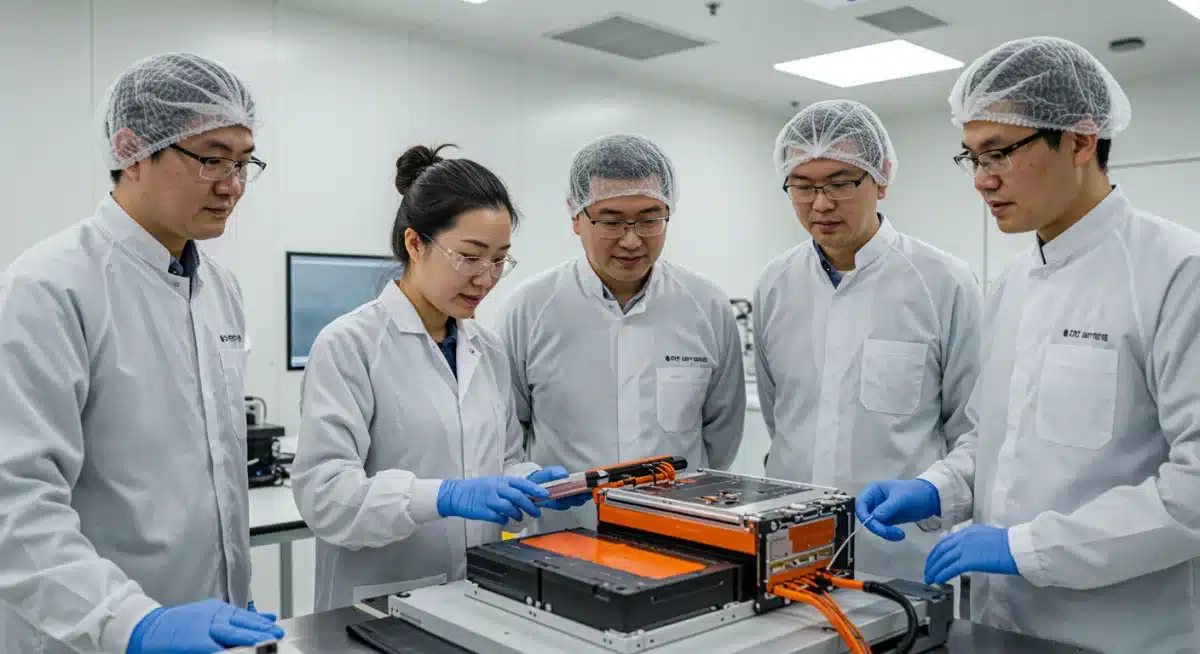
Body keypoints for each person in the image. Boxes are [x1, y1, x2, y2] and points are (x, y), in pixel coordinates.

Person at [855, 37, 1200, 652]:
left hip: (1120, 633)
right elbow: (996, 441)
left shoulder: (1176, 272)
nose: (983, 181)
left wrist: (1025, 548)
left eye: (1000, 154)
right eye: (971, 158)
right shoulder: (1012, 282)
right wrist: (940, 487)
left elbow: (1194, 490)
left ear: (1081, 139)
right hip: (998, 623)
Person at [0, 53, 283, 653]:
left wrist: (233, 586)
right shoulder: (50, 288)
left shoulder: (219, 288)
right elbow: (15, 505)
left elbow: (211, 464)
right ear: (131, 149)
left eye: (242, 161)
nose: (232, 184)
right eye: (211, 157)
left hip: (209, 622)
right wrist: (132, 623)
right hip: (91, 630)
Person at [291, 144, 588, 611]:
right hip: (378, 601)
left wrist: (531, 481)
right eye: (470, 257)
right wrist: (442, 497)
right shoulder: (350, 344)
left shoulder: (487, 350)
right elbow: (326, 498)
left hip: (477, 595)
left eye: (499, 260)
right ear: (415, 243)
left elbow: (501, 457)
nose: (486, 279)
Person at [755, 100, 983, 582]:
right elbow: (782, 420)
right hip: (788, 551)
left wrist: (932, 493)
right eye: (802, 185)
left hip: (900, 555)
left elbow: (976, 429)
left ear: (881, 180)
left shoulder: (943, 282)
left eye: (840, 182)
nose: (821, 203)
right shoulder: (774, 284)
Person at [498, 134, 746, 534]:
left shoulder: (707, 306)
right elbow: (510, 431)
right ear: (576, 218)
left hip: (679, 531)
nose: (632, 240)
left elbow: (722, 434)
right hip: (564, 534)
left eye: (650, 219)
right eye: (611, 221)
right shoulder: (529, 308)